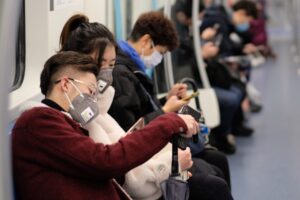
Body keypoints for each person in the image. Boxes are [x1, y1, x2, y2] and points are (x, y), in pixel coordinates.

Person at [58, 14, 233, 200]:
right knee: (214, 181)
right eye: (102, 64)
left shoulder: (101, 107)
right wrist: (170, 162)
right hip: (148, 175)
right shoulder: (104, 95)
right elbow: (131, 141)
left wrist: (167, 101)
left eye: (112, 64)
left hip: (149, 161)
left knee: (214, 165)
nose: (107, 73)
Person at [12, 51, 199, 200]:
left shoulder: (66, 123)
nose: (93, 99)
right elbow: (105, 160)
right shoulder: (39, 122)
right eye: (90, 90)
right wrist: (167, 123)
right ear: (66, 84)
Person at [108, 11, 232, 189]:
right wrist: (166, 110)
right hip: (148, 154)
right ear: (145, 41)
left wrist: (168, 98)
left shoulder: (134, 69)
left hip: (157, 139)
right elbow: (131, 128)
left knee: (218, 160)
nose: (158, 58)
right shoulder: (122, 75)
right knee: (215, 179)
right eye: (160, 52)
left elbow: (143, 106)